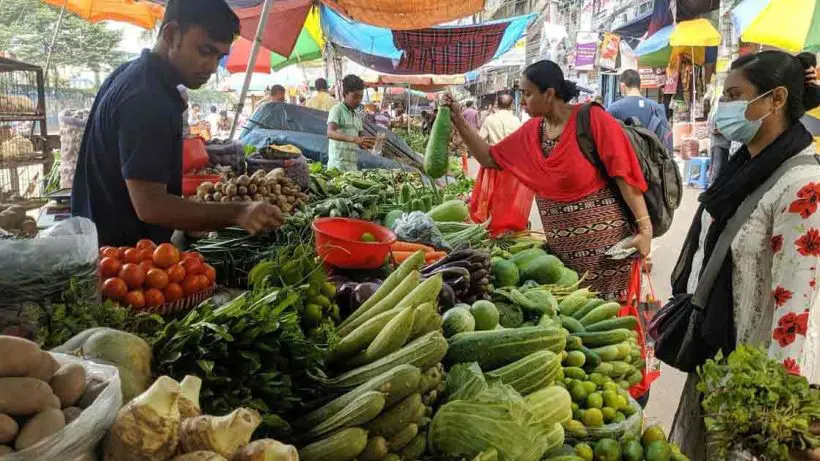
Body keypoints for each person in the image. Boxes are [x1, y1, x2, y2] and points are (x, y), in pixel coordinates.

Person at [669, 51, 820, 461]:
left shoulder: (802, 184)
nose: (724, 107)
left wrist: (770, 406)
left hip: (756, 377)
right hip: (719, 358)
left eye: (735, 95)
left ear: (776, 99)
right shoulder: (743, 168)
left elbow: (795, 307)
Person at [71, 0, 283, 247]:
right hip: (119, 256)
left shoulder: (131, 74)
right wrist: (239, 211)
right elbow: (151, 206)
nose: (212, 67)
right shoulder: (147, 98)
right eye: (205, 51)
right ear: (171, 34)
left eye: (219, 56)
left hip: (100, 242)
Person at [444, 60, 651, 300]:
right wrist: (457, 119)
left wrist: (645, 230)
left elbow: (625, 175)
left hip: (608, 255)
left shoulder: (592, 119)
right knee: (572, 325)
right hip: (563, 259)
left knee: (609, 324)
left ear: (549, 94)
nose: (522, 101)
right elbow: (490, 158)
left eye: (528, 94)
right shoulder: (533, 131)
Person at [326, 74, 375, 172]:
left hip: (352, 168)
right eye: (355, 97)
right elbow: (330, 133)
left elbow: (361, 140)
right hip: (337, 167)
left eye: (360, 97)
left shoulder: (358, 115)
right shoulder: (337, 110)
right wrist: (354, 139)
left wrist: (372, 144)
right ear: (345, 94)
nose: (358, 100)